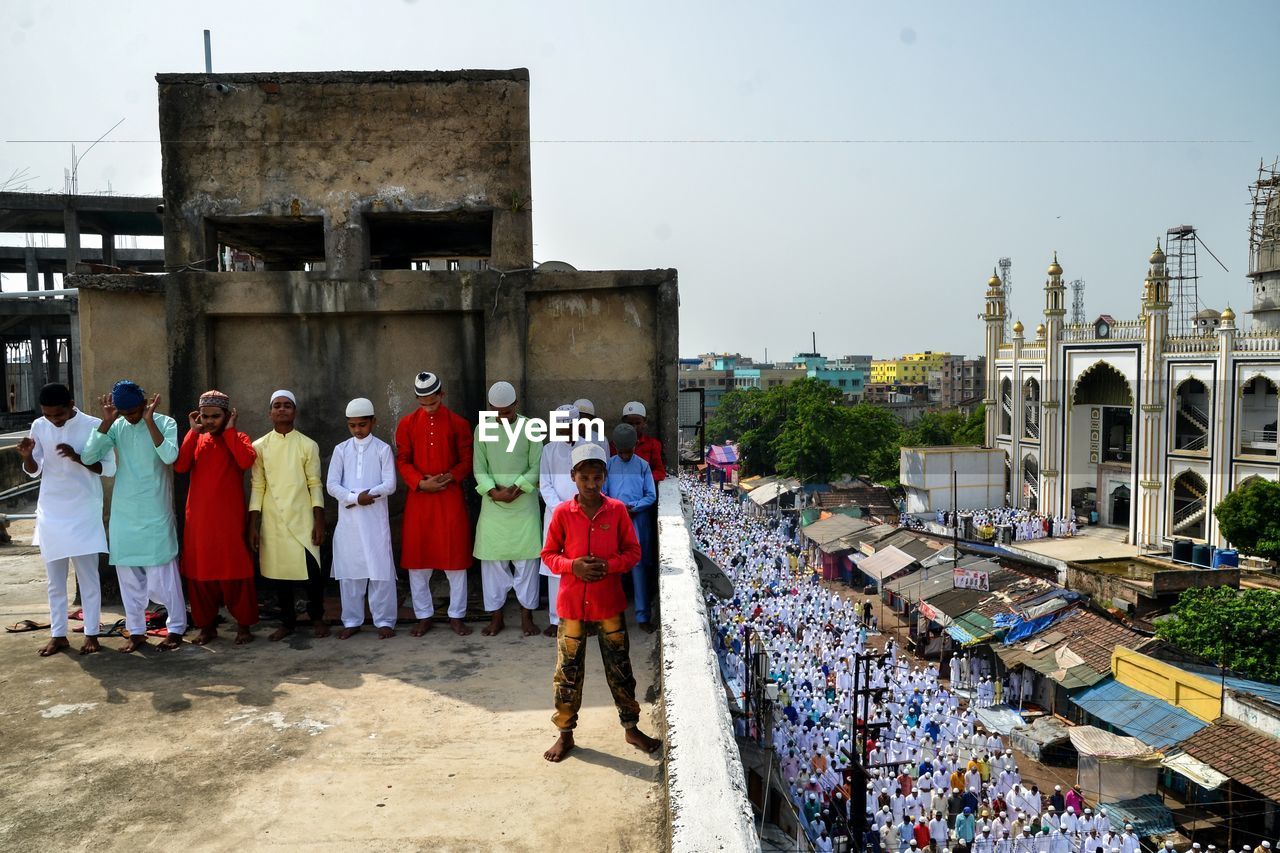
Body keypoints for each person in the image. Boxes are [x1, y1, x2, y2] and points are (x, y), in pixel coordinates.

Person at [540, 442, 661, 763]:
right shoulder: (563, 513)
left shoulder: (618, 510)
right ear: (573, 478)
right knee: (567, 672)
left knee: (620, 668)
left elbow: (633, 553)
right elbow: (549, 555)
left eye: (597, 478)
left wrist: (610, 566)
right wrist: (573, 566)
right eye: (585, 479)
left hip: (609, 604)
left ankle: (631, 727)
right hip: (572, 607)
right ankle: (565, 734)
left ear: (604, 476)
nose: (592, 485)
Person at [82, 381, 186, 652]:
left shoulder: (165, 422)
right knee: (127, 575)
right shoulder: (117, 426)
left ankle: (176, 628)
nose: (131, 417)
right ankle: (137, 631)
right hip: (125, 511)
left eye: (135, 411)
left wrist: (150, 422)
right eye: (125, 413)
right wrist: (106, 423)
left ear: (144, 402)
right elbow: (89, 455)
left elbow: (169, 456)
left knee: (164, 573)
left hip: (155, 507)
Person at [18, 382, 115, 657]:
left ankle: (92, 633)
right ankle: (58, 634)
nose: (53, 420)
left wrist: (79, 458)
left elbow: (108, 467)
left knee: (89, 577)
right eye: (48, 415)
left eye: (57, 415)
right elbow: (34, 470)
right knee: (54, 580)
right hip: (51, 509)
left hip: (84, 509)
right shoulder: (39, 425)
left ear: (71, 404)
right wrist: (27, 458)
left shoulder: (96, 424)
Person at [173, 390, 258, 645]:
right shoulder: (197, 438)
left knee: (236, 573)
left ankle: (244, 626)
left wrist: (230, 431)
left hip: (229, 522)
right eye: (205, 416)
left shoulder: (239, 437)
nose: (209, 421)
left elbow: (245, 461)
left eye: (215, 416)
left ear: (228, 415)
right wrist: (192, 432)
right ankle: (206, 626)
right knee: (199, 575)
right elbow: (180, 466)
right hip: (198, 521)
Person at [396, 371, 474, 637]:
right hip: (419, 499)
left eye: (433, 401)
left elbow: (467, 459)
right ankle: (424, 615)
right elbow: (403, 460)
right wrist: (419, 482)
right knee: (418, 562)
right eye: (423, 403)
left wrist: (450, 476)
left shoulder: (459, 424)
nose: (428, 407)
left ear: (442, 395)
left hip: (449, 496)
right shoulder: (406, 424)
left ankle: (457, 614)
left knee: (455, 561)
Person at [249, 390, 328, 641]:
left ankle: (317, 618)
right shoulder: (259, 447)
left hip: (303, 519)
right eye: (277, 406)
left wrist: (319, 520)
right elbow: (257, 486)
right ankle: (288, 623)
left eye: (287, 406)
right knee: (279, 576)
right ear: (270, 413)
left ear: (294, 412)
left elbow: (315, 484)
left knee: (312, 575)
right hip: (273, 521)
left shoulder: (307, 445)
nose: (282, 409)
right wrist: (253, 525)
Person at [473, 381, 543, 637]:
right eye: (497, 412)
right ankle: (497, 617)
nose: (502, 416)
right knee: (493, 563)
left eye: (507, 411)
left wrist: (517, 488)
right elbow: (479, 467)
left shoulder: (530, 428)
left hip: (523, 503)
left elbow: (537, 464)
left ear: (516, 405)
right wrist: (493, 491)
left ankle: (527, 616)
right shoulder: (482, 429)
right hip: (493, 504)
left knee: (527, 563)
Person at [327, 397, 398, 640]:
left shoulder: (382, 449)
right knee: (350, 572)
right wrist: (357, 498)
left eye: (362, 425)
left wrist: (369, 496)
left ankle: (385, 620)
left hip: (374, 521)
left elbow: (390, 484)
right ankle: (352, 620)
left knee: (379, 571)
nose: (358, 430)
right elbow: (332, 485)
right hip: (349, 523)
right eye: (353, 425)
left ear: (373, 422)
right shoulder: (341, 450)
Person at [602, 422, 657, 632]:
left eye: (629, 451)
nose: (625, 456)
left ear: (635, 445)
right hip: (614, 521)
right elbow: (603, 493)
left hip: (637, 520)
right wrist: (618, 508)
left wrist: (634, 507)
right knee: (613, 568)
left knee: (639, 567)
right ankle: (612, 616)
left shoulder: (642, 465)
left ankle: (643, 616)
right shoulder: (609, 465)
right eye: (622, 452)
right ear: (616, 447)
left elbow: (650, 495)